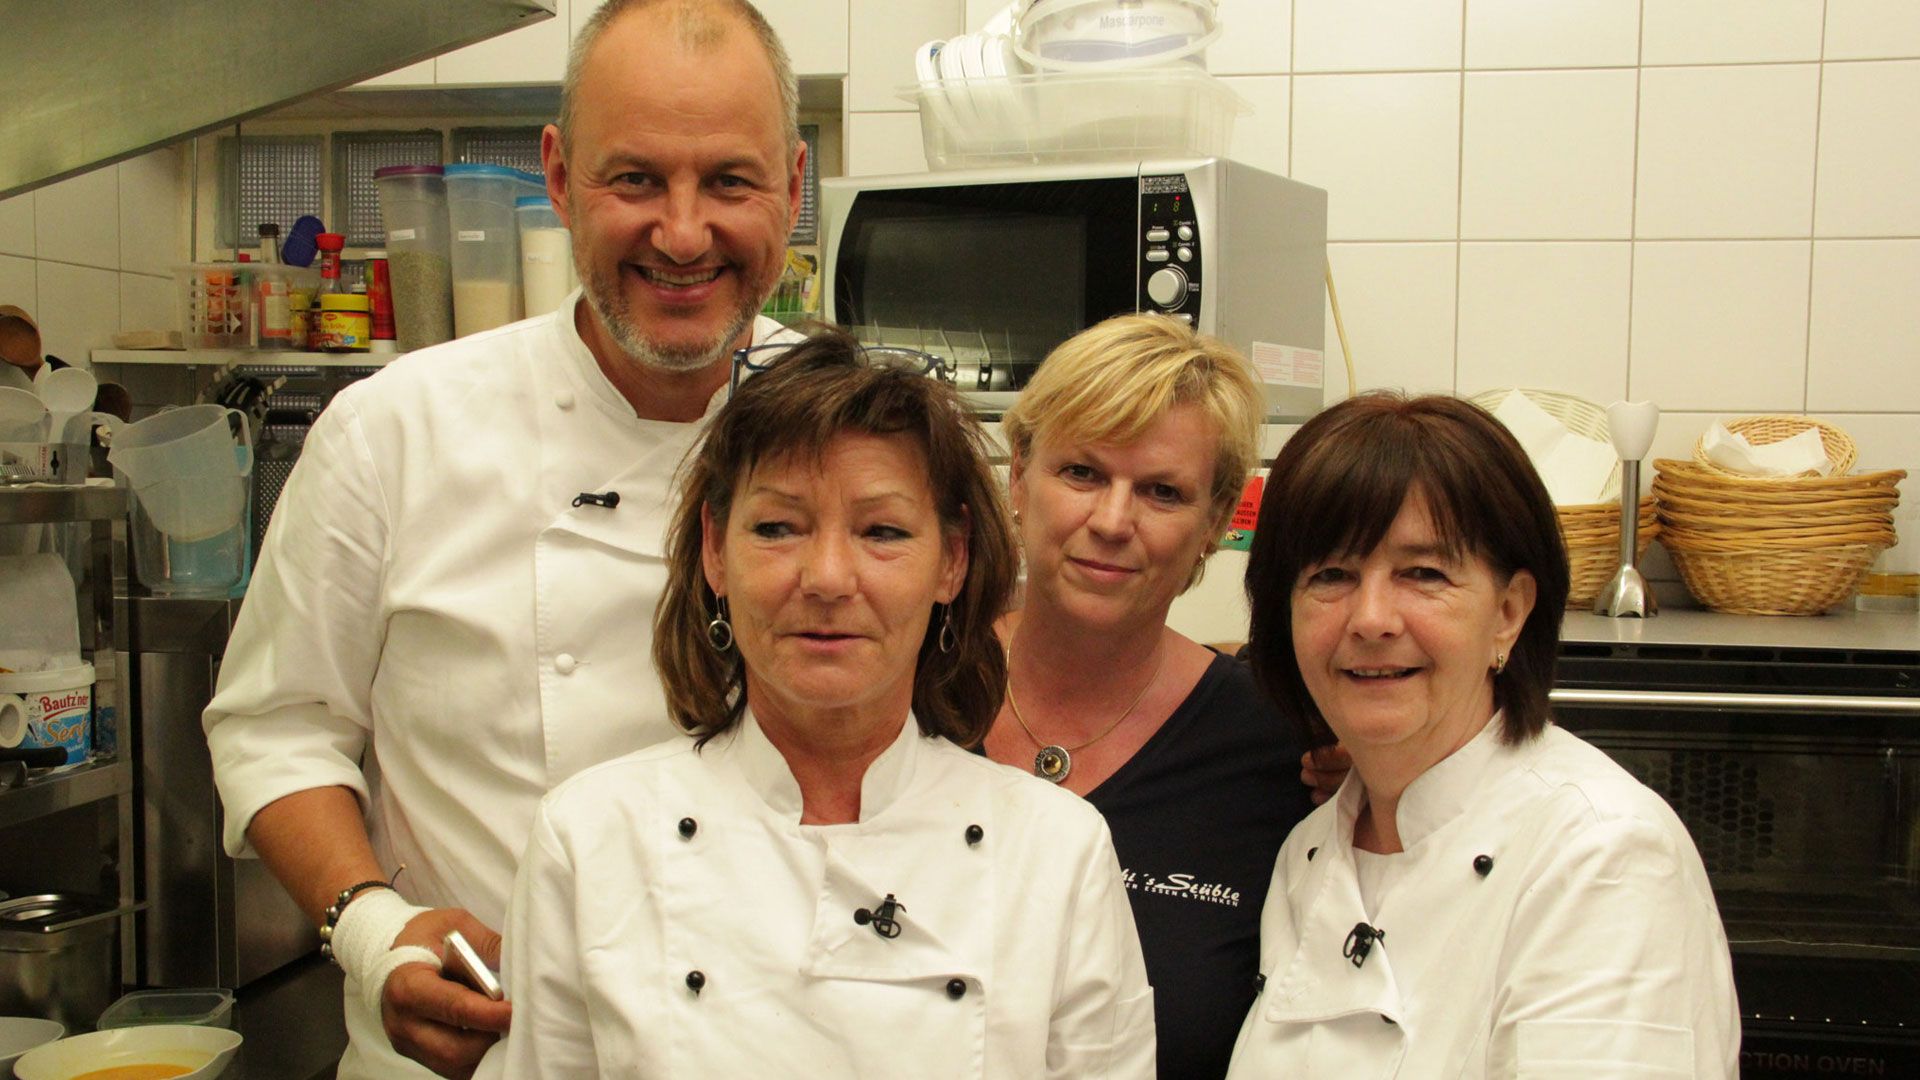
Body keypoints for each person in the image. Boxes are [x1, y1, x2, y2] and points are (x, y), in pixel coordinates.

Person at [200, 2, 807, 1076]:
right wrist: (376, 931)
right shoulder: (396, 429)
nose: (680, 232)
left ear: (793, 189)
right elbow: (275, 729)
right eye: (634, 180)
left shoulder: (859, 430)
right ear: (561, 178)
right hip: (476, 1054)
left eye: (728, 181)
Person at [481, 331, 1156, 1077]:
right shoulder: (590, 839)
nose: (828, 578)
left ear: (952, 561)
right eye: (778, 527)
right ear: (715, 549)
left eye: (882, 532)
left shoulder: (1056, 850)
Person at [1228, 392, 1739, 1077]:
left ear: (1507, 611)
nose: (1371, 618)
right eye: (1331, 575)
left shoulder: (1602, 857)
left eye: (1423, 573)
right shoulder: (1311, 852)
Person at [981, 314, 1321, 1079]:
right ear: (1017, 477)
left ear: (1215, 522)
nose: (1111, 521)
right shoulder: (906, 696)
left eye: (1162, 492)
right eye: (1082, 473)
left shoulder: (1283, 753)